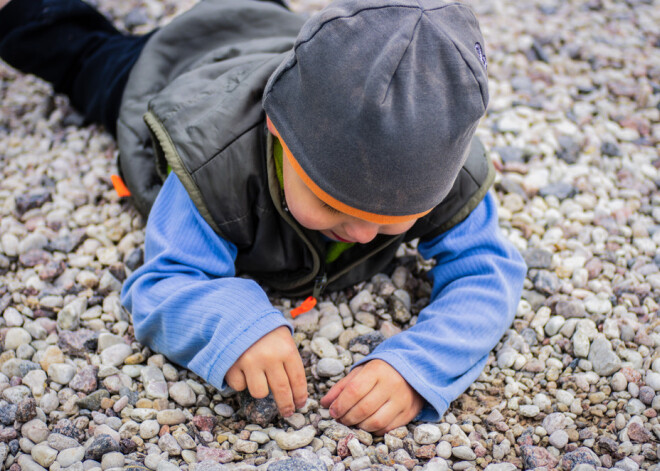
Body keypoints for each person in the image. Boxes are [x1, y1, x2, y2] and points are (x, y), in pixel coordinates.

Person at [1, 0, 526, 434]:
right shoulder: (214, 160)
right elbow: (163, 281)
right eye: (332, 204)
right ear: (277, 131)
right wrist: (238, 324)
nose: (364, 234)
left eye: (394, 221)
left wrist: (419, 368)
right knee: (91, 58)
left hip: (276, 31)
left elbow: (488, 272)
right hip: (184, 64)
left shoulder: (440, 168)